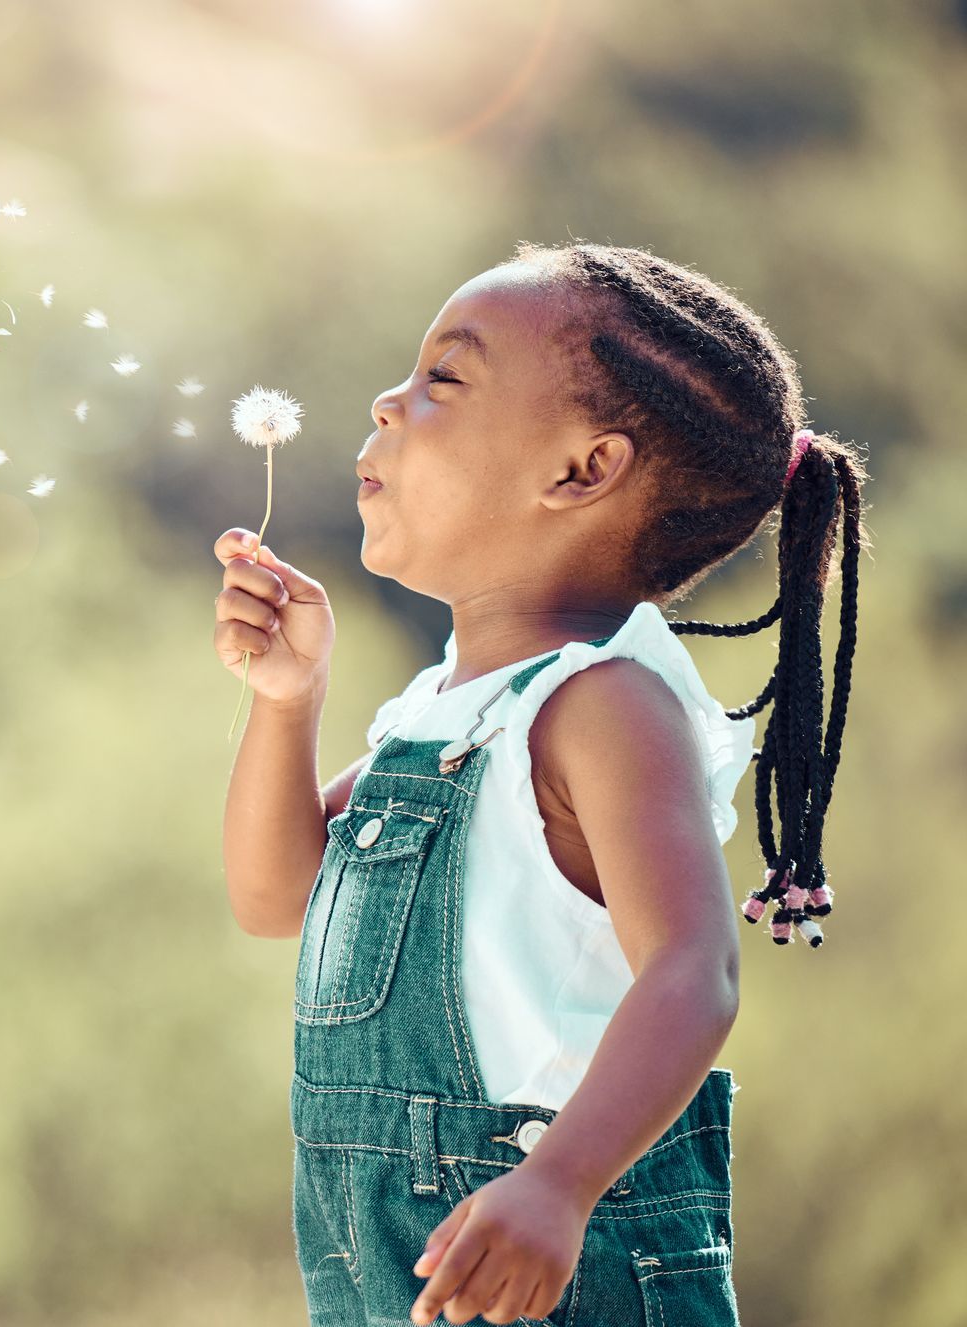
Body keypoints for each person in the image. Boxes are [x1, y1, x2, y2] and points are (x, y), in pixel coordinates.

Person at [212, 241, 871, 1326]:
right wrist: (289, 702)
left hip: (572, 1279)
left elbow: (694, 969)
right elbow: (275, 897)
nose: (387, 401)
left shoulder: (605, 706)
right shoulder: (442, 710)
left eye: (444, 379)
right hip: (402, 1276)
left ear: (581, 469)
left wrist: (561, 1181)